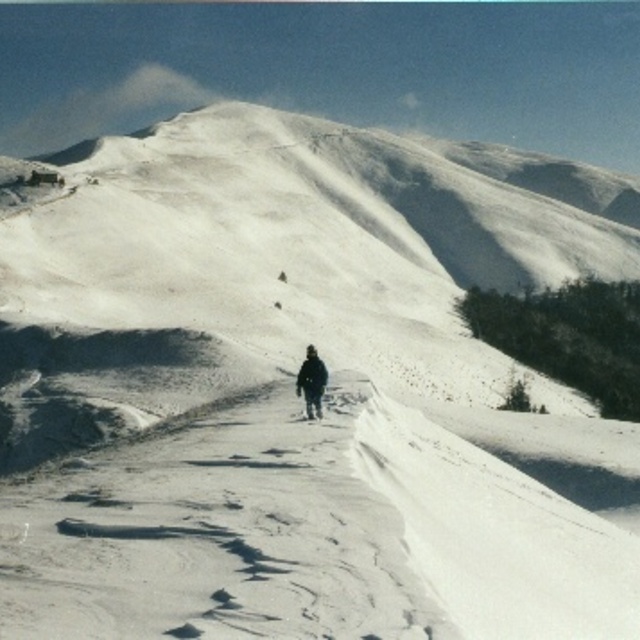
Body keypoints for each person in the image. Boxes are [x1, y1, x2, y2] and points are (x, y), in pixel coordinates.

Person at [296, 344, 328, 420]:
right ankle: (310, 415)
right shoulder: (306, 364)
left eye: (313, 352)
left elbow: (324, 374)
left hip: (318, 385)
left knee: (318, 401)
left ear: (316, 353)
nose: (311, 354)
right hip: (308, 386)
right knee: (309, 401)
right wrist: (299, 387)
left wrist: (323, 385)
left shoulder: (320, 363)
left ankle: (320, 415)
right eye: (310, 352)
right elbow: (302, 375)